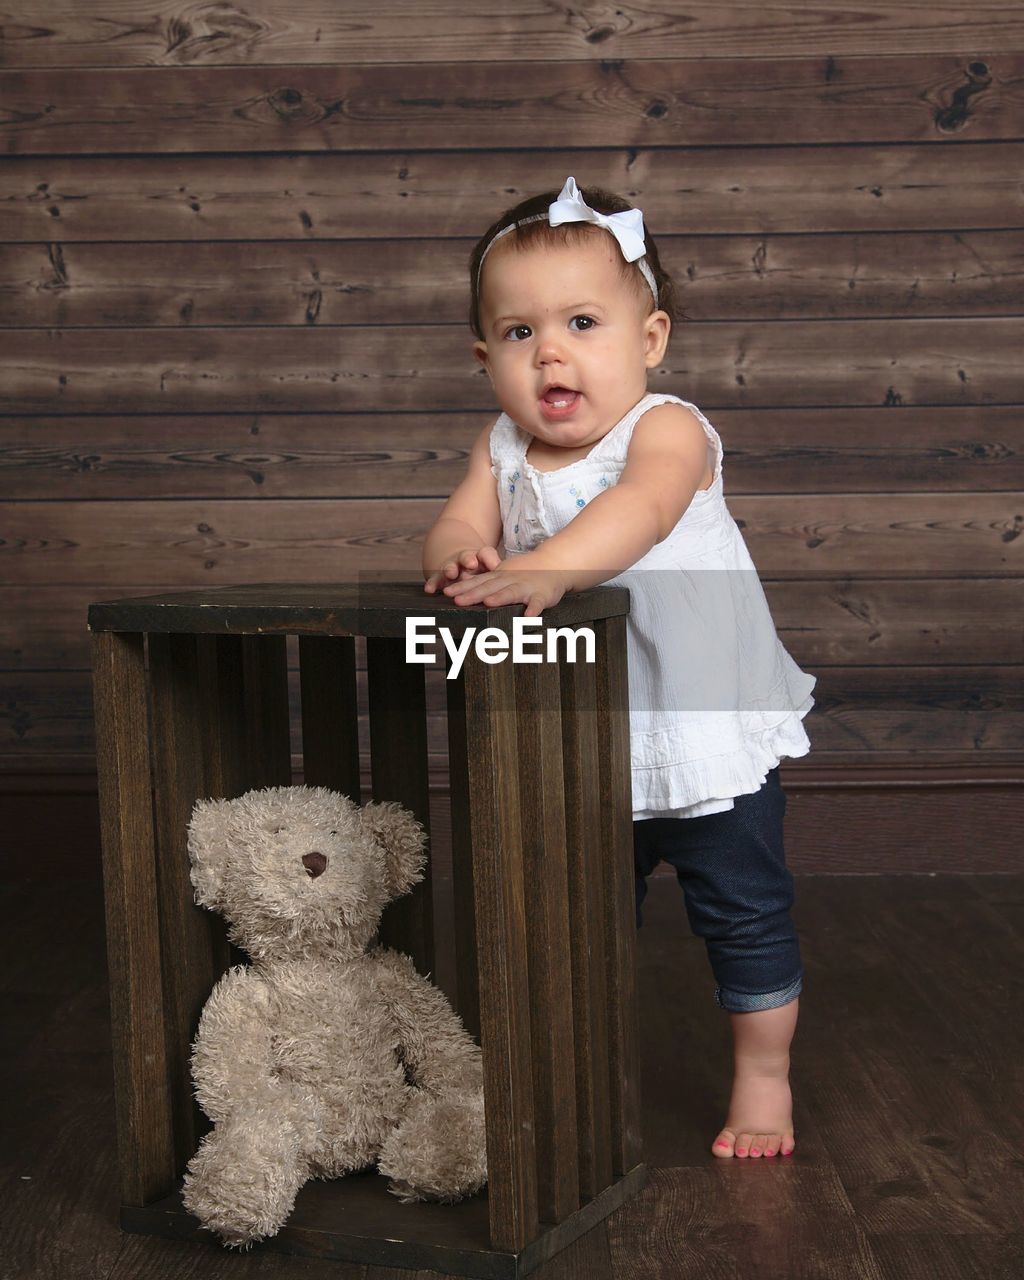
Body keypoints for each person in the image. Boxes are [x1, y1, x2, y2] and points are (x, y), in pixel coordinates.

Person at [420, 176, 817, 1161]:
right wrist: (461, 551)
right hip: (580, 741)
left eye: (583, 321)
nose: (550, 349)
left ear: (649, 340)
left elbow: (636, 511)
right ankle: (574, 1071)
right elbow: (462, 515)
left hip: (702, 729)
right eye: (518, 333)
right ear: (485, 359)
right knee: (580, 917)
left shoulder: (667, 432)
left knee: (743, 908)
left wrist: (548, 565)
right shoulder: (503, 445)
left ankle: (763, 1075)